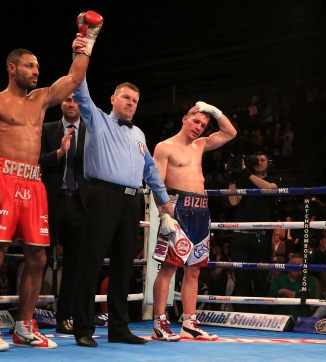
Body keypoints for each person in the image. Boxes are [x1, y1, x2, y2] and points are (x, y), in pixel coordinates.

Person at [0, 10, 102, 352]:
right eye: (29, 66)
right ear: (12, 68)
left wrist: (87, 41)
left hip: (34, 184)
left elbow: (74, 77)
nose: (36, 71)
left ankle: (24, 326)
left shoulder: (41, 100)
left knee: (39, 258)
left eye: (37, 67)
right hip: (2, 180)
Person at [71, 76, 173, 348]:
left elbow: (149, 168)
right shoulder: (96, 119)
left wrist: (164, 200)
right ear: (113, 99)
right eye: (126, 97)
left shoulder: (138, 134)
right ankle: (83, 327)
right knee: (90, 262)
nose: (131, 103)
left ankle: (118, 327)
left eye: (135, 101)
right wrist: (82, 50)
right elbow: (79, 89)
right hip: (102, 195)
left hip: (131, 201)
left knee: (123, 266)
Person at [151, 102, 237, 342]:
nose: (199, 127)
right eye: (196, 121)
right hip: (176, 207)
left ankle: (189, 323)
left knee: (194, 270)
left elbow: (230, 133)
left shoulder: (201, 145)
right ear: (184, 119)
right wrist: (164, 213)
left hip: (200, 209)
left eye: (203, 124)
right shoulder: (164, 147)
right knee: (168, 268)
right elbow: (157, 183)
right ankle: (159, 323)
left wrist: (215, 110)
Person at [38, 94, 87, 334]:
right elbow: (35, 161)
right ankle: (27, 316)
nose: (71, 104)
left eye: (76, 100)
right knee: (39, 259)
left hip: (80, 203)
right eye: (67, 99)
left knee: (75, 264)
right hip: (49, 202)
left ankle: (65, 317)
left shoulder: (91, 132)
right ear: (61, 103)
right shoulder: (46, 129)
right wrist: (59, 152)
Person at [228, 151, 278, 313]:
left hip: (260, 236)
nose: (259, 162)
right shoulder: (244, 179)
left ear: (269, 163)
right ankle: (240, 316)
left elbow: (270, 190)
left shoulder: (273, 180)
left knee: (260, 279)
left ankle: (260, 316)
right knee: (241, 279)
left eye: (263, 160)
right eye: (256, 160)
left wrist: (246, 172)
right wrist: (232, 176)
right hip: (240, 235)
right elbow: (233, 201)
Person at [268, 253, 316, 320]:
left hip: (300, 323)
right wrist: (296, 295)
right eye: (293, 264)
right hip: (279, 321)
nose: (295, 268)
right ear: (289, 264)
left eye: (299, 265)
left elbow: (306, 297)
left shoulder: (309, 281)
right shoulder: (278, 279)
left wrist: (284, 291)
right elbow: (272, 295)